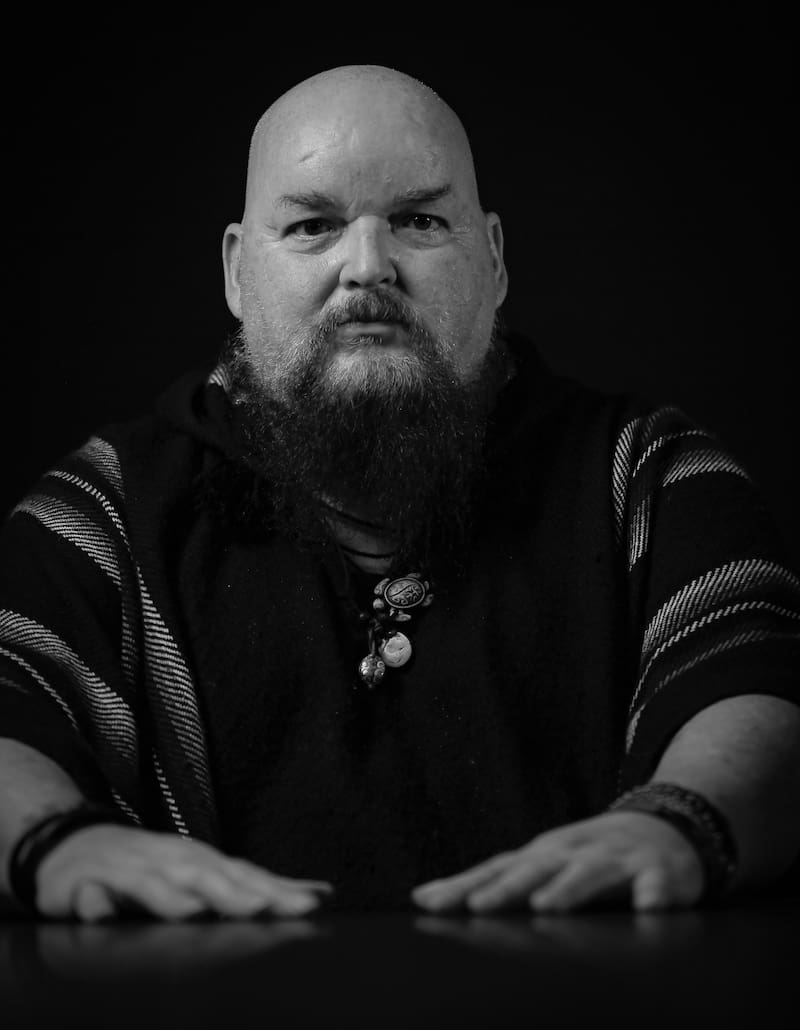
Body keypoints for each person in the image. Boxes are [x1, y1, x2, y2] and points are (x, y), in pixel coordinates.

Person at [1, 65, 798, 923]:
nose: (369, 268)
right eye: (313, 226)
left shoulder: (651, 475)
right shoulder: (105, 509)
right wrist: (53, 842)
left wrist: (682, 823)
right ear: (237, 272)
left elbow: (763, 688)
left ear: (494, 259)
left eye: (419, 220)